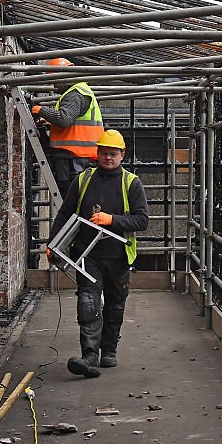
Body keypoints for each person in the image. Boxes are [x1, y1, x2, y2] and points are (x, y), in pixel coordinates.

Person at [46, 130, 149, 379]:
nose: (108, 158)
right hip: (87, 254)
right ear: (97, 153)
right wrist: (53, 244)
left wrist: (111, 220)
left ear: (122, 155)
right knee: (88, 302)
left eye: (113, 154)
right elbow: (65, 214)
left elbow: (142, 220)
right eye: (104, 153)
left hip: (118, 255)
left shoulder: (131, 183)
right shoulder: (82, 180)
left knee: (115, 304)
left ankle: (109, 350)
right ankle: (89, 356)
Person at [31, 58, 104, 197]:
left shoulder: (75, 94)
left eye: (55, 80)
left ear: (62, 75)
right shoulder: (78, 92)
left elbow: (64, 119)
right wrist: (49, 123)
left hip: (72, 156)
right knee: (71, 195)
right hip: (75, 156)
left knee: (69, 195)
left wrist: (40, 110)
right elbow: (71, 122)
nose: (54, 86)